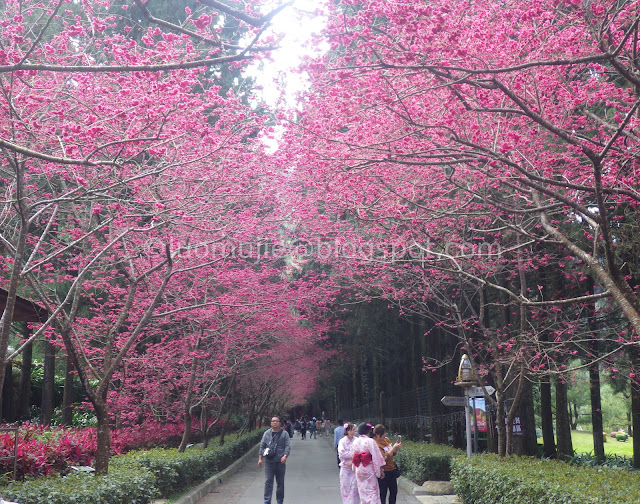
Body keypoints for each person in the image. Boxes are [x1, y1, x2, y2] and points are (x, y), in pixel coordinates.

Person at [258, 416, 291, 504]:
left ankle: (279, 501)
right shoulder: (266, 433)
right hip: (269, 462)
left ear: (280, 423)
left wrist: (285, 456)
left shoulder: (284, 434)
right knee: (268, 482)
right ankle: (267, 500)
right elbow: (262, 446)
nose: (274, 423)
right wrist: (260, 459)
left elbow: (287, 446)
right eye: (273, 421)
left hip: (280, 462)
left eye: (276, 421)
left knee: (280, 483)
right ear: (271, 423)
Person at [351, 422, 385, 504]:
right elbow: (376, 457)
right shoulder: (370, 441)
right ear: (368, 431)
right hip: (368, 469)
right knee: (372, 492)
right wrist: (379, 471)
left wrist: (354, 467)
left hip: (359, 468)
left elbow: (353, 455)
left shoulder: (355, 441)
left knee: (362, 491)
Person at [373, 424, 402, 504]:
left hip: (392, 469)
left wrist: (396, 448)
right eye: (383, 434)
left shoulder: (386, 440)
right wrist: (393, 449)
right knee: (383, 494)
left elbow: (393, 454)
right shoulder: (375, 444)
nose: (384, 436)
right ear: (378, 435)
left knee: (394, 492)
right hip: (383, 471)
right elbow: (383, 458)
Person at [338, 423, 359, 504]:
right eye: (350, 430)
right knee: (345, 488)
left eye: (353, 430)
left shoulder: (357, 440)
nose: (352, 432)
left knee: (354, 489)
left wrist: (353, 458)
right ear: (346, 431)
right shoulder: (342, 441)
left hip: (355, 468)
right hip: (345, 468)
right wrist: (354, 454)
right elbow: (342, 453)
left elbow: (360, 452)